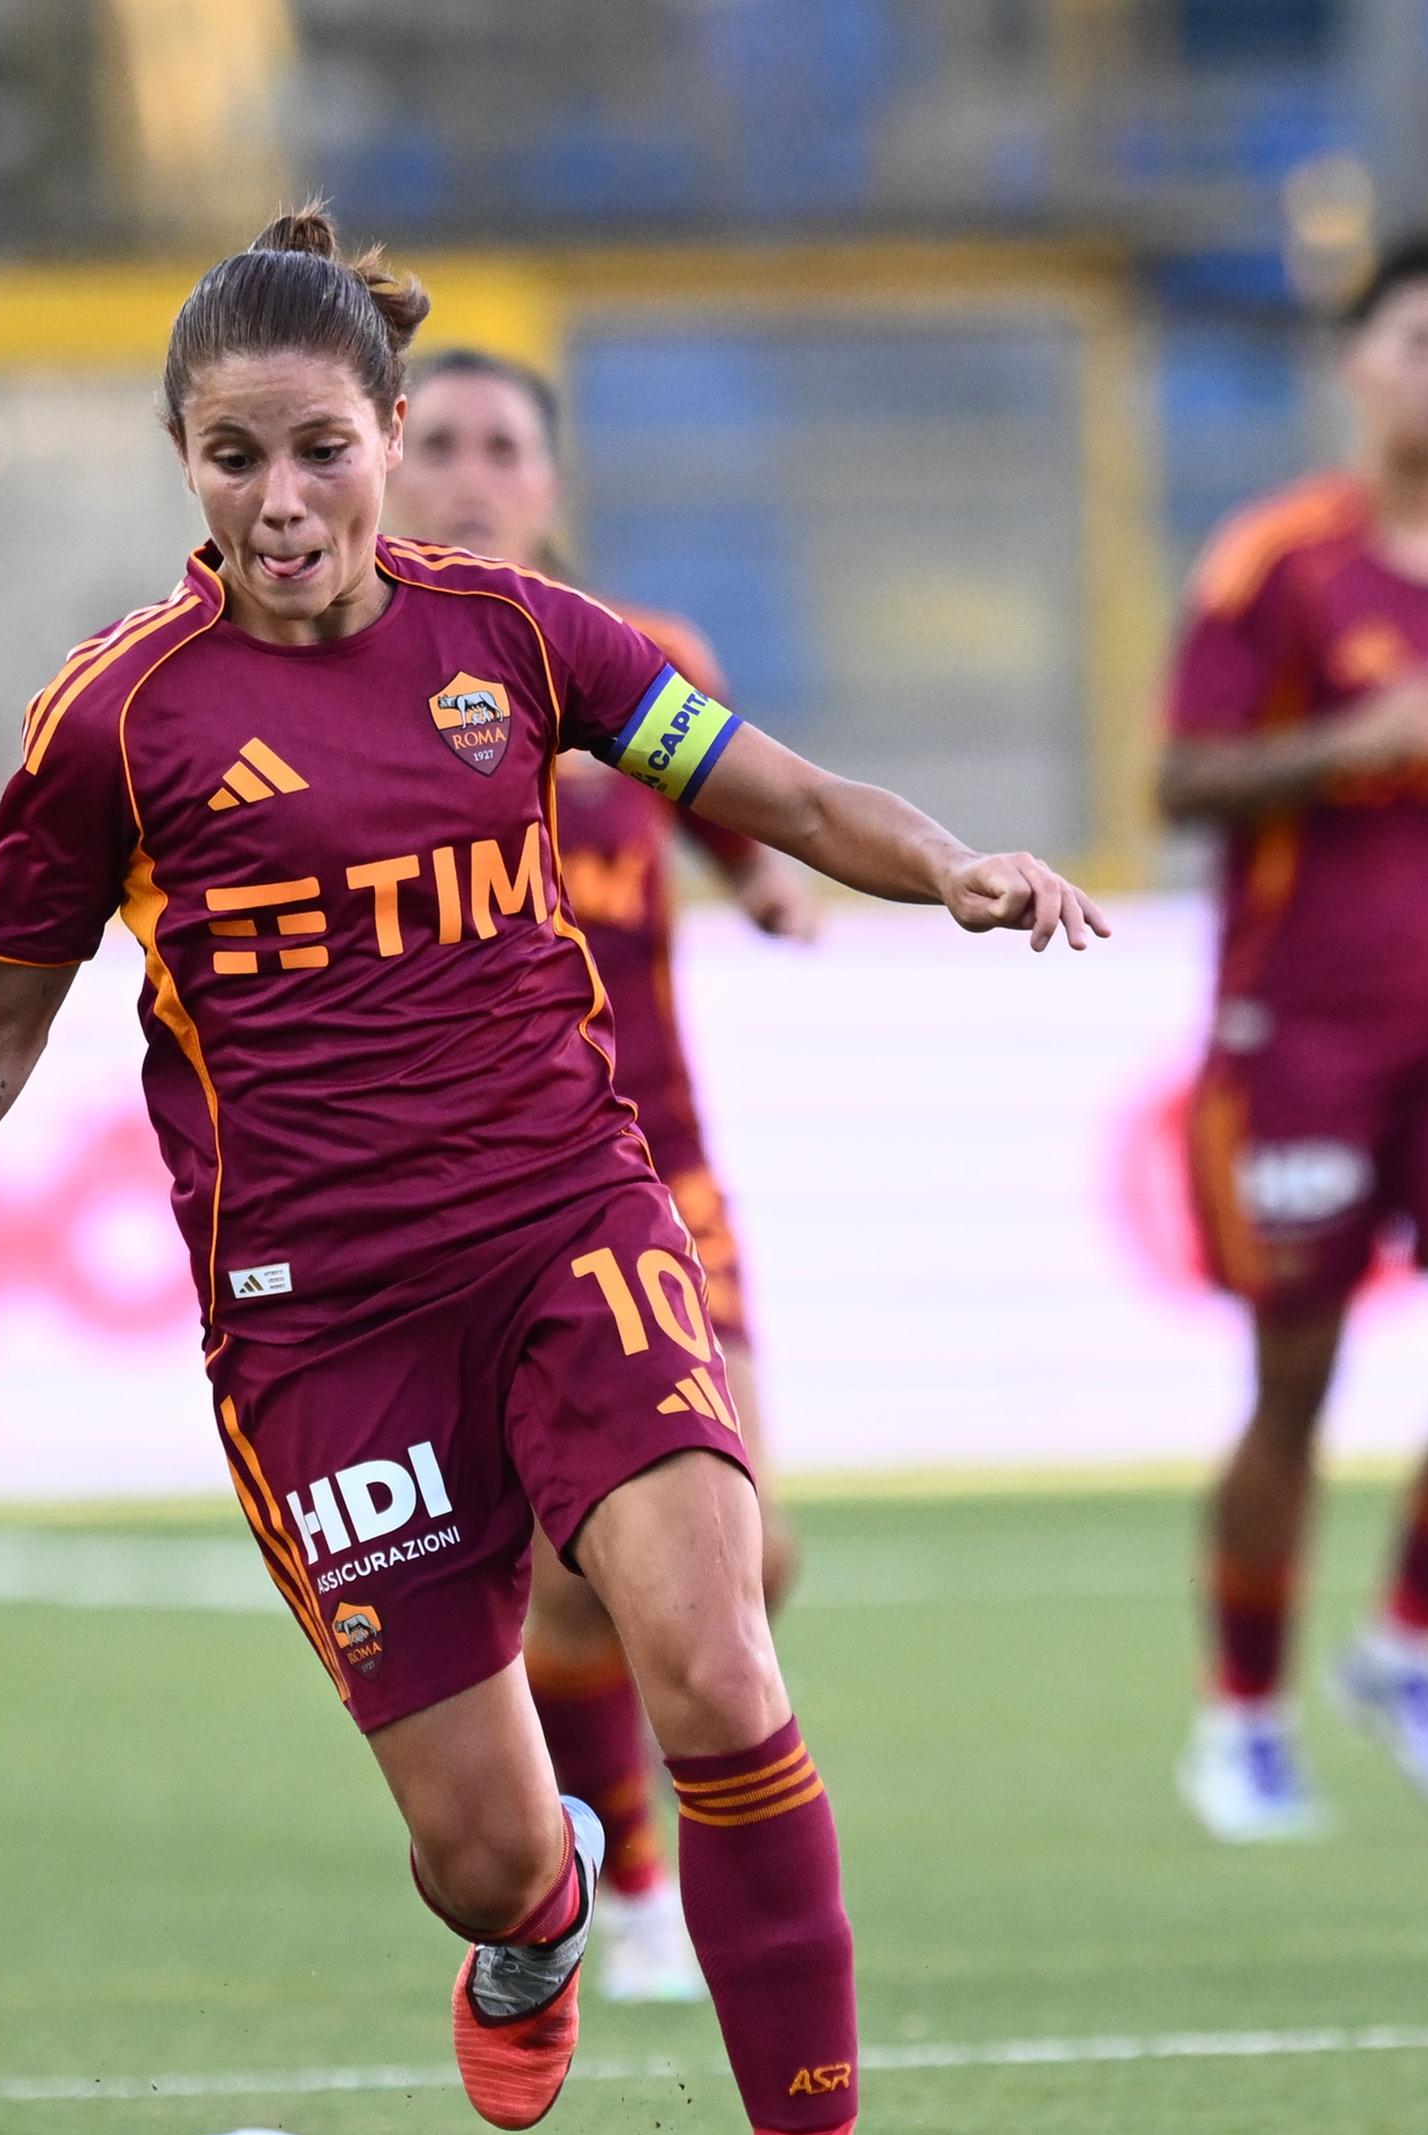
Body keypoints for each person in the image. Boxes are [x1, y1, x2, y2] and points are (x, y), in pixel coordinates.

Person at [0, 209, 1107, 2135]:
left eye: (324, 452)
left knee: (719, 1658)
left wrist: (948, 867)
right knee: (477, 1857)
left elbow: (777, 786)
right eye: (237, 457)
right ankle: (540, 1913)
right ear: (184, 456)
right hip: (318, 1327)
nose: (286, 503)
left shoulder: (517, 636)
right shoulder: (114, 721)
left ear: (384, 445)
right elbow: (4, 1008)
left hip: (572, 1223)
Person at [388, 346, 820, 2008]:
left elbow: (721, 801)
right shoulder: (367, 688)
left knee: (753, 1553)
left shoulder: (642, 664)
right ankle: (628, 1870)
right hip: (479, 1195)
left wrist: (764, 884)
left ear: (550, 483)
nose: (472, 473)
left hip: (660, 1168)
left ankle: (627, 1841)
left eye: (504, 446)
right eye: (438, 443)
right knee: (576, 1570)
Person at [1159, 230, 1428, 1845]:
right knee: (1298, 1375)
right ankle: (1243, 1718)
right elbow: (1180, 783)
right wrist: (1339, 746)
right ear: (1359, 364)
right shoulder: (1278, 562)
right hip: (1301, 1029)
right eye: (1422, 341)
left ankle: (1405, 1650)